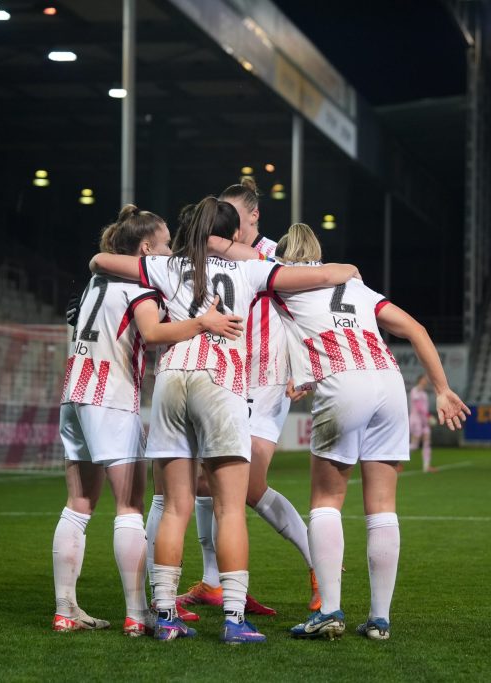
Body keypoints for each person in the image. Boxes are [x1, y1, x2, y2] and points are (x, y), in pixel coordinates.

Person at [89, 198, 359, 643]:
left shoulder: (167, 266)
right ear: (233, 235)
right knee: (230, 507)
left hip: (172, 377)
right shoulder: (251, 269)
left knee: (173, 505)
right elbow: (319, 276)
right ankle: (234, 619)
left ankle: (165, 615)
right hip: (220, 379)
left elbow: (100, 260)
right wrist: (348, 270)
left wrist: (186, 253)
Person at [273, 223, 470, 641]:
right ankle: (380, 619)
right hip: (388, 382)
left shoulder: (283, 282)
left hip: (344, 381)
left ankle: (329, 610)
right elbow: (416, 329)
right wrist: (441, 389)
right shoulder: (356, 287)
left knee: (326, 500)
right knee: (382, 506)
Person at [52, 205, 243, 634]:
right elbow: (153, 334)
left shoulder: (95, 282)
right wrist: (203, 323)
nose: (171, 251)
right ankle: (138, 615)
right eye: (165, 244)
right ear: (144, 249)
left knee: (79, 504)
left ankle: (65, 609)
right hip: (111, 396)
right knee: (130, 506)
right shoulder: (139, 285)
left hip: (74, 393)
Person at [174, 178, 319, 618]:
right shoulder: (211, 256)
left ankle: (320, 565)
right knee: (205, 482)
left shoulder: (275, 255)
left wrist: (305, 369)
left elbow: (307, 307)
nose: (225, 226)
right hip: (222, 378)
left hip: (266, 380)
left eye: (234, 217)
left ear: (253, 216)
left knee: (248, 487)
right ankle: (213, 582)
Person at [408, 374, 437, 473]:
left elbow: (423, 408)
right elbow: (419, 407)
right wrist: (429, 416)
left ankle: (426, 466)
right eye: (424, 380)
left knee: (427, 443)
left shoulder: (424, 394)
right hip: (416, 421)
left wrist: (427, 418)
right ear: (420, 380)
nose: (426, 381)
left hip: (424, 421)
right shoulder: (415, 391)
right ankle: (394, 460)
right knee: (414, 446)